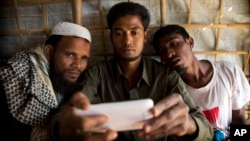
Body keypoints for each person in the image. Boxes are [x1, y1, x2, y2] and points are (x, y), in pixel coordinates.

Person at [52, 2, 214, 141]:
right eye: (119, 33)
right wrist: (64, 127)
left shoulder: (166, 76)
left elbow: (206, 130)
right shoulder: (97, 74)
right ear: (111, 38)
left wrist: (189, 125)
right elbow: (64, 116)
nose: (127, 40)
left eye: (134, 32)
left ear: (144, 36)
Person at [151, 24, 250, 140]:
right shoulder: (171, 89)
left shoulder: (227, 71)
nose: (169, 54)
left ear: (190, 42)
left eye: (174, 44)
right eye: (162, 50)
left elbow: (239, 120)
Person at [0, 22, 92, 140]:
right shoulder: (16, 77)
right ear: (49, 52)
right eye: (69, 55)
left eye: (83, 58)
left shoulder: (69, 81)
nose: (78, 65)